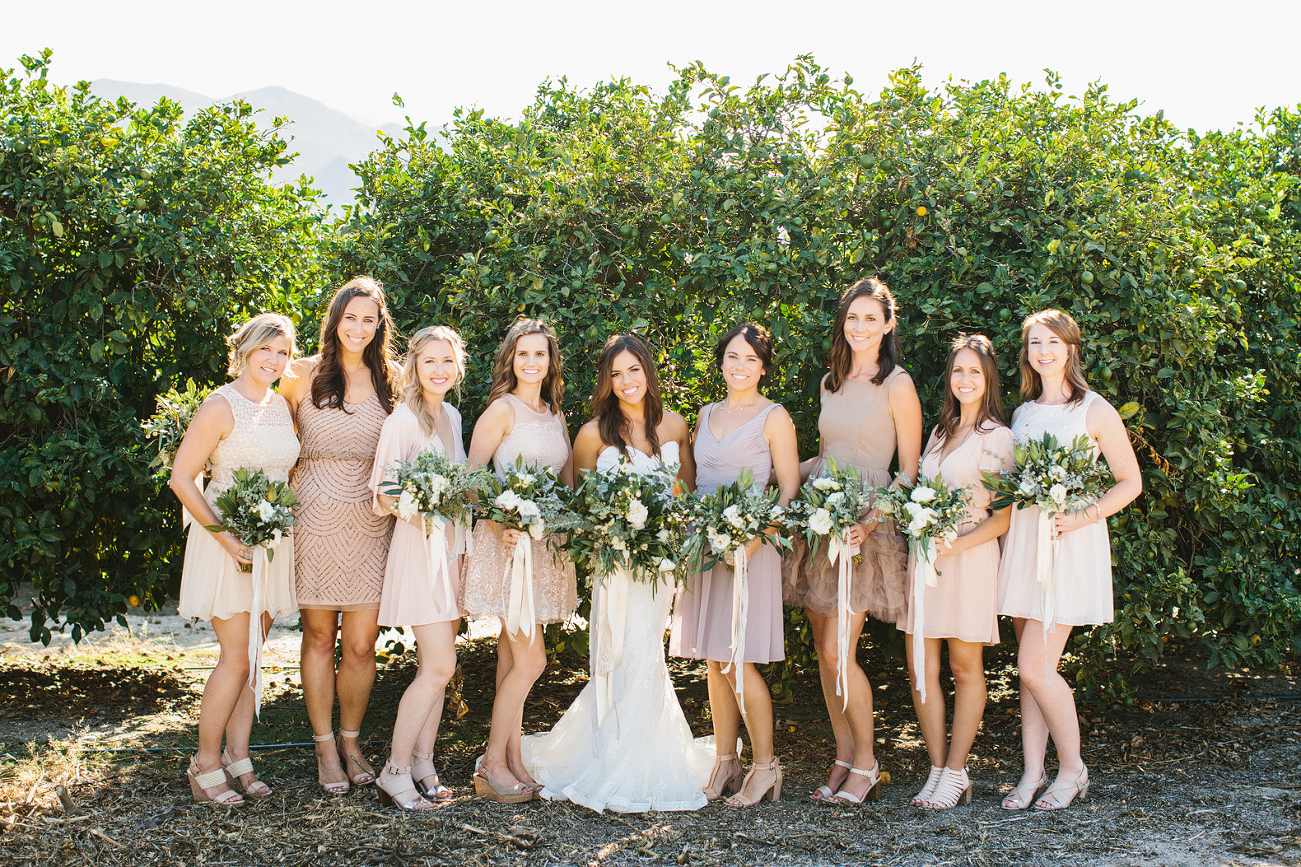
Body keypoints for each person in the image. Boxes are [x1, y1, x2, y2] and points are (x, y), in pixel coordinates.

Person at [521, 333, 710, 813]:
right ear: (606, 381)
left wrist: (671, 529)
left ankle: (647, 753)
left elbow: (685, 490)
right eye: (616, 373)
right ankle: (614, 754)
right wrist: (609, 530)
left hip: (660, 562)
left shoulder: (674, 425)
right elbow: (578, 500)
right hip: (615, 565)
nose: (627, 381)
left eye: (634, 370)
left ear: (648, 370)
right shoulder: (591, 435)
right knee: (618, 650)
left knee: (647, 651)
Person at [783, 277, 922, 804]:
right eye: (852, 318)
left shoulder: (898, 384)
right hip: (820, 519)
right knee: (823, 649)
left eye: (871, 318)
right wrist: (770, 473)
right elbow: (825, 455)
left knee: (841, 649)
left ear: (889, 324)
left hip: (865, 526)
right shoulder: (830, 380)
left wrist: (870, 518)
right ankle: (843, 754)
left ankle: (868, 761)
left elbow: (907, 470)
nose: (860, 327)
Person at [997, 309, 1141, 811]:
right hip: (1024, 544)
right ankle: (1033, 772)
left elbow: (1131, 481)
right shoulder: (1022, 413)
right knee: (1031, 669)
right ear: (1028, 353)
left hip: (1068, 543)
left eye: (1052, 342)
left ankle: (1074, 769)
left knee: (1034, 667)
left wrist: (1084, 515)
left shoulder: (1094, 409)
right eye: (1035, 343)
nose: (1044, 351)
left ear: (1070, 348)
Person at [170, 313, 301, 805]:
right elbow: (182, 479)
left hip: (270, 542)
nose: (274, 359)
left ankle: (238, 757)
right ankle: (204, 761)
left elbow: (283, 473)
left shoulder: (282, 406)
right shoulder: (220, 406)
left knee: (255, 655)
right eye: (266, 349)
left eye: (283, 352)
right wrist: (226, 537)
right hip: (227, 543)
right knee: (235, 656)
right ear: (245, 350)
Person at [668, 323, 800, 806]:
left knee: (736, 658)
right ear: (720, 362)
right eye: (731, 357)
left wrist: (753, 540)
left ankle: (766, 767)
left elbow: (787, 490)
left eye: (750, 359)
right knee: (712, 658)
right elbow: (696, 480)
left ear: (763, 367)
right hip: (705, 548)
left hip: (751, 549)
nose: (739, 366)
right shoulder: (704, 414)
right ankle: (726, 759)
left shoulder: (774, 416)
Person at [280, 276, 400, 794]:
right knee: (319, 638)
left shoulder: (395, 380)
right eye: (349, 317)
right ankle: (325, 746)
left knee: (360, 645)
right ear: (335, 321)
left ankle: (352, 740)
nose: (358, 327)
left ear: (380, 326)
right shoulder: (302, 375)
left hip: (373, 521)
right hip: (314, 517)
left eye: (368, 319)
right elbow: (276, 445)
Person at [462, 319, 577, 802]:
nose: (532, 362)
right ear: (510, 358)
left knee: (512, 658)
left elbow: (568, 483)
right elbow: (469, 480)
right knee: (532, 661)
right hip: (508, 549)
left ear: (551, 361)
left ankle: (512, 760)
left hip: (546, 551)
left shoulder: (555, 414)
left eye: (541, 354)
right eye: (523, 354)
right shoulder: (500, 411)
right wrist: (500, 522)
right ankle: (491, 763)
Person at [902, 334, 1014, 808]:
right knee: (920, 670)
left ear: (988, 379)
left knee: (964, 667)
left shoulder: (1000, 437)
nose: (964, 379)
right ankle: (936, 768)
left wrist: (956, 544)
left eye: (974, 371)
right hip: (927, 561)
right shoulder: (939, 433)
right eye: (957, 371)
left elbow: (1005, 516)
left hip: (969, 560)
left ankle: (956, 770)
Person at [369, 326, 470, 811]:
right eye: (429, 361)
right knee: (439, 665)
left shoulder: (450, 414)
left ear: (458, 366)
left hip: (450, 554)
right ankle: (393, 770)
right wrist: (425, 513)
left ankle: (423, 763)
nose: (439, 370)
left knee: (439, 669)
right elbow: (385, 492)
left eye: (447, 361)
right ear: (413, 364)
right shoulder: (403, 420)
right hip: (418, 551)